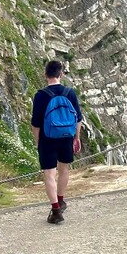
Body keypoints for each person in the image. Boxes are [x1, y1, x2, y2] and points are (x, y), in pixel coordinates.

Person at [30, 60, 83, 224]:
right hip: (66, 136)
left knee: (49, 173)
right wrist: (77, 137)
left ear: (46, 75)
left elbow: (36, 123)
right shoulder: (70, 93)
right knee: (64, 169)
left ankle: (55, 210)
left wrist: (38, 141)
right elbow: (78, 119)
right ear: (61, 74)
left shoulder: (40, 95)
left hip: (47, 137)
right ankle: (60, 200)